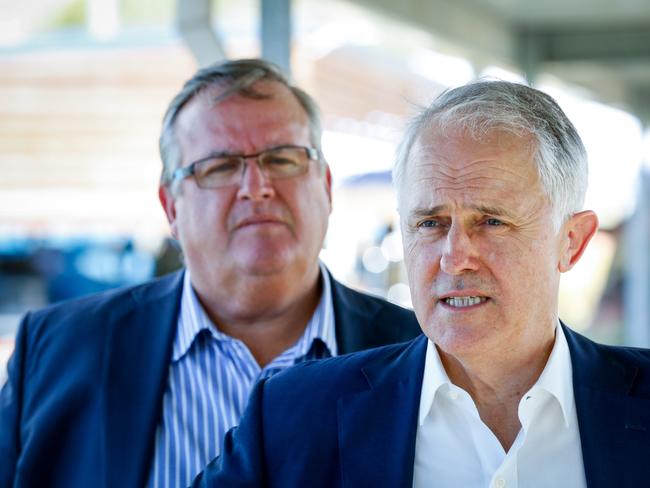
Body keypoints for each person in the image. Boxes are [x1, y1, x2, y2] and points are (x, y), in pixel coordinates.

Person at [192, 80, 650, 487]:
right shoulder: (293, 417)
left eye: (491, 221)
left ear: (571, 241)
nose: (454, 256)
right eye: (430, 223)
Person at [0, 59, 420, 488]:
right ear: (171, 208)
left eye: (283, 159)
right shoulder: (56, 352)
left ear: (326, 186)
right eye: (219, 167)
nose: (256, 186)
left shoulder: (423, 351)